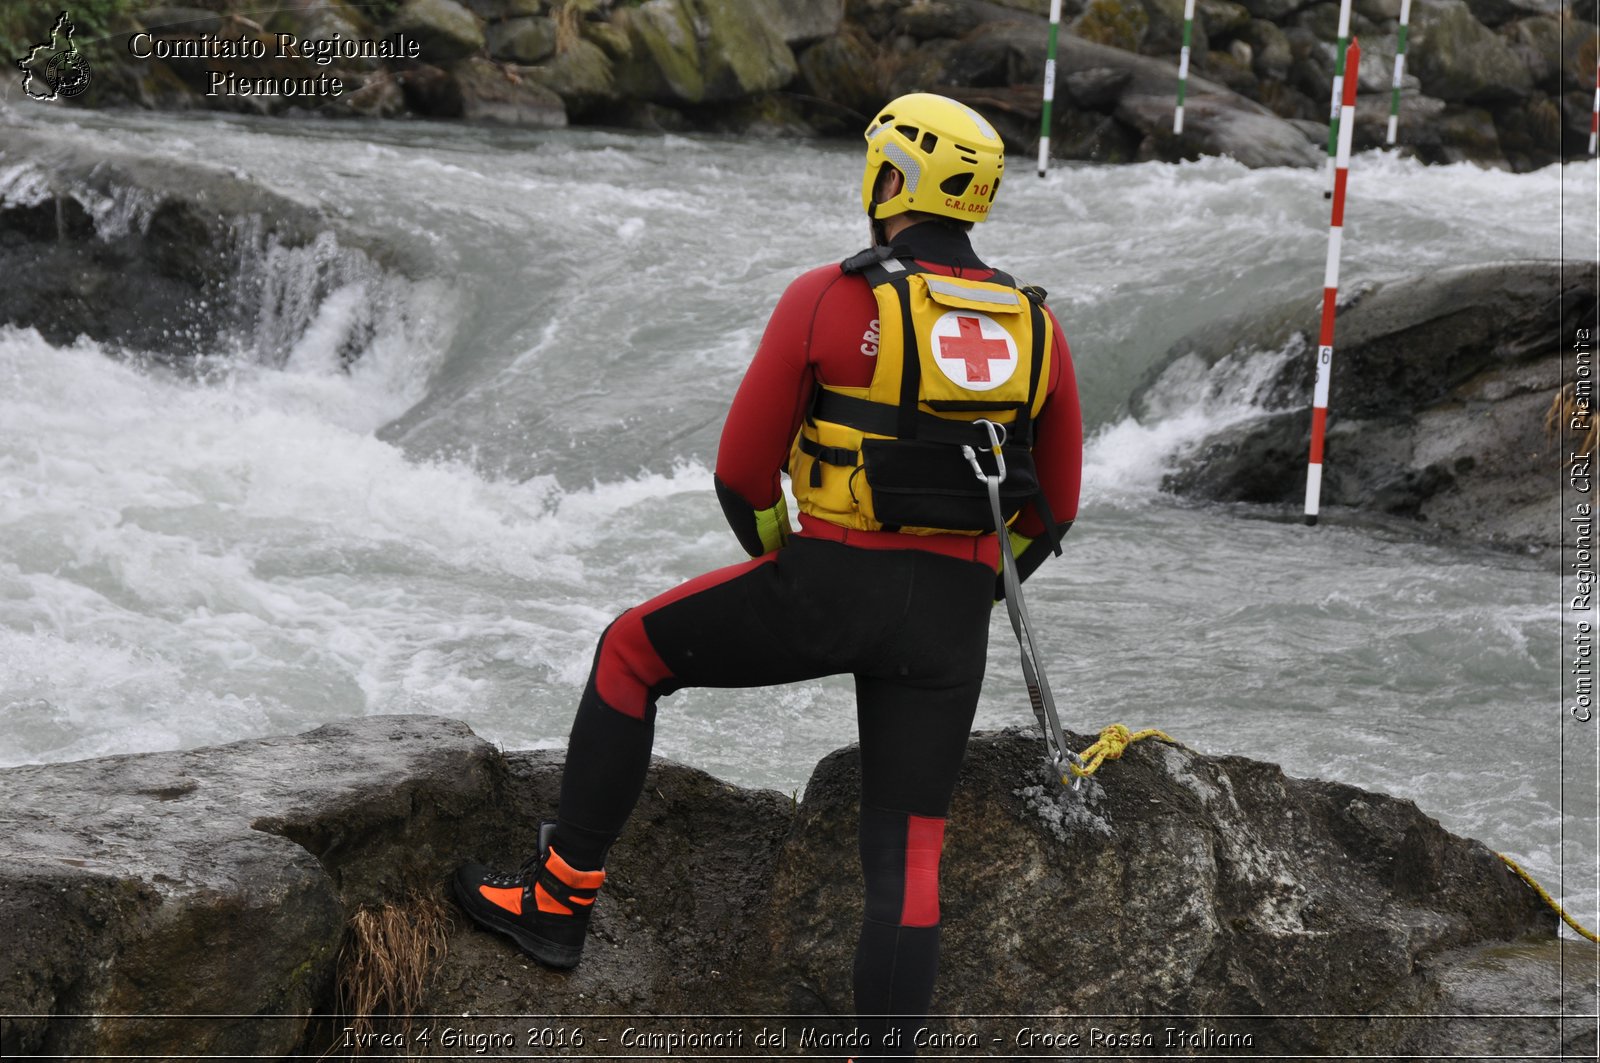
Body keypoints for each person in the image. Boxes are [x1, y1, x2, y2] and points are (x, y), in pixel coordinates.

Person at [454, 92, 1083, 1053]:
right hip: (952, 620)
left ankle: (558, 899)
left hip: (828, 584)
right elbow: (1054, 511)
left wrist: (789, 570)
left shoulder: (831, 296)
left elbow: (743, 473)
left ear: (892, 179)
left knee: (628, 652)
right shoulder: (1039, 326)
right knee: (910, 860)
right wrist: (973, 588)